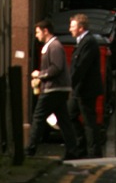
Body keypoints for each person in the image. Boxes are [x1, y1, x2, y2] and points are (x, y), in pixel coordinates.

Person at [25, 19, 78, 160]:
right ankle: (73, 150)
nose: (36, 35)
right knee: (63, 120)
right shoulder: (51, 46)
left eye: (38, 32)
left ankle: (30, 150)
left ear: (45, 31)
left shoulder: (54, 46)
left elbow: (56, 67)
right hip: (58, 89)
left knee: (38, 118)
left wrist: (40, 75)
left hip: (53, 89)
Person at [68, 13, 104, 158]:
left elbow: (81, 67)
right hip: (79, 90)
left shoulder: (88, 42)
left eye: (72, 27)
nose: (70, 29)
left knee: (89, 122)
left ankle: (94, 153)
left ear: (81, 28)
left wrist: (69, 84)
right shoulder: (82, 41)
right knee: (69, 115)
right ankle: (81, 147)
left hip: (85, 90)